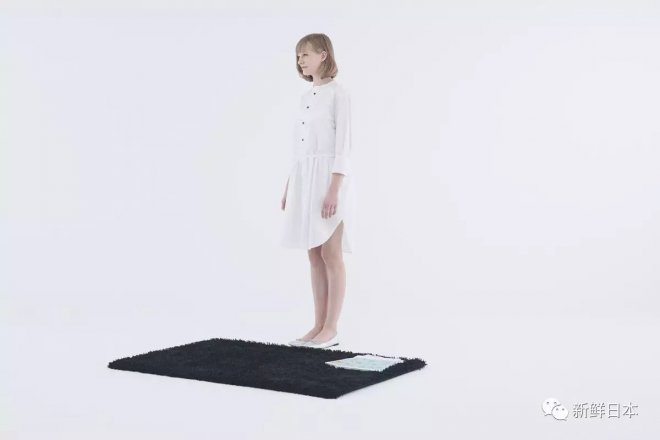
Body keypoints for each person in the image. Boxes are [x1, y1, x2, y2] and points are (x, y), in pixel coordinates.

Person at [280, 33, 357, 349]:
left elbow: (343, 146)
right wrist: (290, 185)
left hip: (328, 178)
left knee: (330, 252)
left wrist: (334, 188)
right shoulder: (305, 97)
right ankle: (318, 325)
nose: (300, 61)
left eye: (305, 54)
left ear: (323, 55)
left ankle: (331, 328)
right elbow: (299, 148)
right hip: (304, 178)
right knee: (313, 253)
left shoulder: (339, 94)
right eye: (298, 56)